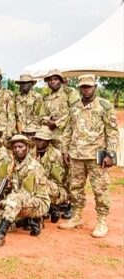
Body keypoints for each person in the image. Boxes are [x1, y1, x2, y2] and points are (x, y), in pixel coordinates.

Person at [58, 74, 118, 238]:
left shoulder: (104, 107)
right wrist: (65, 150)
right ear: (79, 88)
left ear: (95, 87)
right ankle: (77, 217)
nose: (86, 89)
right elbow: (68, 130)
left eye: (89, 86)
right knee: (75, 188)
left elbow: (112, 133)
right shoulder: (75, 107)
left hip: (97, 155)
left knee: (100, 189)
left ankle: (102, 220)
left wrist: (111, 155)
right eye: (83, 87)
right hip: (76, 154)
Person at [0, 135, 50, 249]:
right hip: (20, 202)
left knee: (14, 199)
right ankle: (27, 221)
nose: (17, 150)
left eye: (20, 147)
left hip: (38, 203)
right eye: (15, 147)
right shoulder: (14, 164)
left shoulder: (32, 167)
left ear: (27, 147)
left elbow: (25, 194)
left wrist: (5, 202)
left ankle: (0, 236)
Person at [33, 129, 66, 223]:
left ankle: (49, 208)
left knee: (39, 185)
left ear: (48, 141)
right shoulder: (33, 152)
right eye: (36, 139)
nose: (38, 142)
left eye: (41, 140)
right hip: (42, 184)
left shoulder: (55, 155)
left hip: (58, 189)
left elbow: (59, 180)